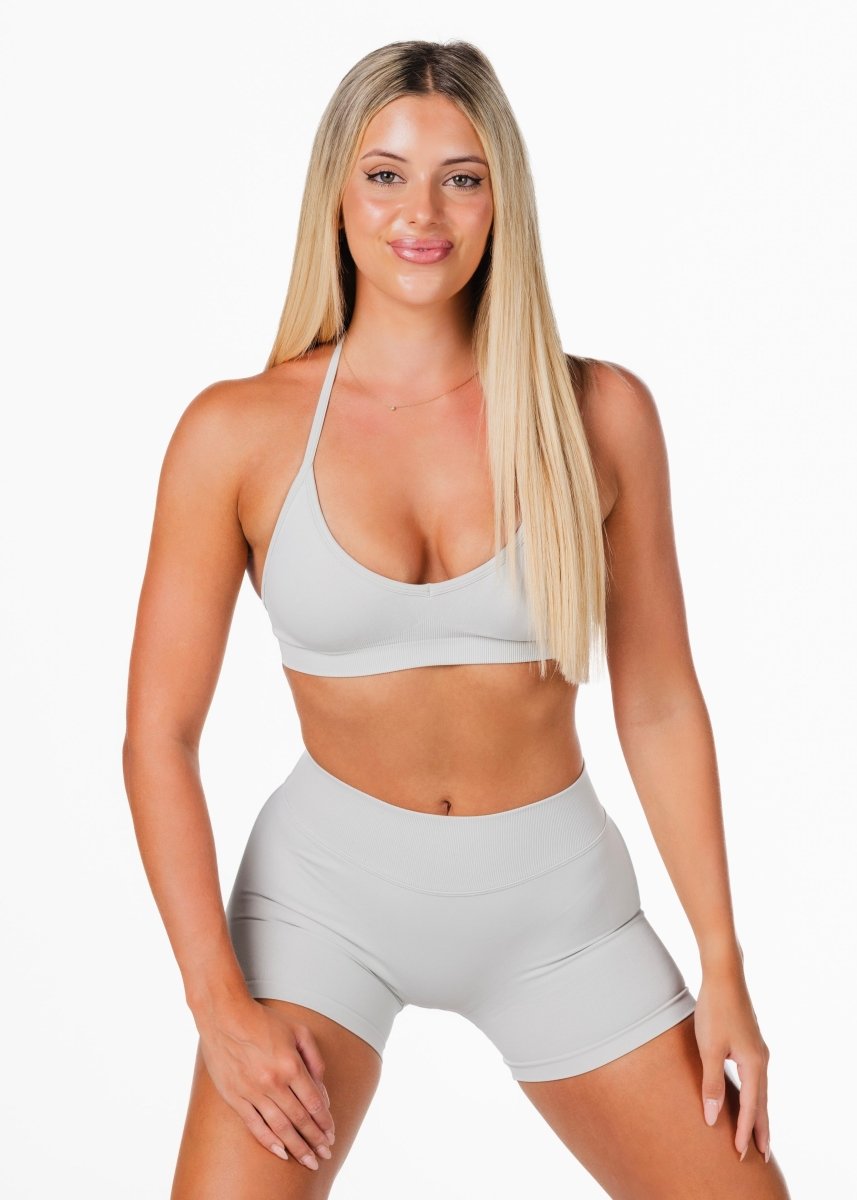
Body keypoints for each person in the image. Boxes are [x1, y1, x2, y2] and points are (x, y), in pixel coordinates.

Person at [122, 38, 792, 1199]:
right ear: (336, 193)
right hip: (319, 911)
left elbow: (656, 703)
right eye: (384, 175)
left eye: (460, 178)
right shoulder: (235, 431)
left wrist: (721, 965)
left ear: (501, 199)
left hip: (560, 917)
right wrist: (216, 1001)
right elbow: (157, 740)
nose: (419, 214)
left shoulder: (597, 414)